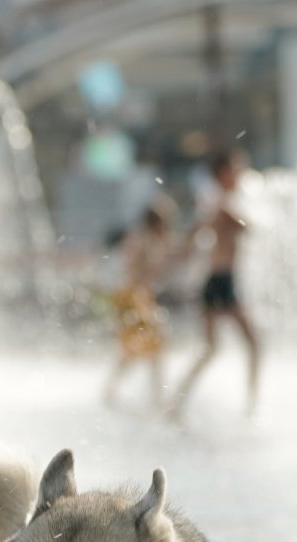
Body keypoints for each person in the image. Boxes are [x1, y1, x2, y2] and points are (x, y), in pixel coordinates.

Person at [167, 148, 262, 420]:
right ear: (223, 173)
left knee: (212, 348)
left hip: (219, 280)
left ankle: (176, 403)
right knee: (250, 343)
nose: (242, 172)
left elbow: (196, 234)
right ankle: (251, 406)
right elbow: (245, 227)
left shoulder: (219, 202)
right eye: (236, 167)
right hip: (221, 281)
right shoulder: (221, 202)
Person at [103, 197, 175, 409]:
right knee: (152, 346)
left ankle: (113, 390)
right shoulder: (143, 239)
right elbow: (135, 270)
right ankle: (155, 396)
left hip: (136, 297)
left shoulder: (143, 238)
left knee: (138, 348)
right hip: (135, 298)